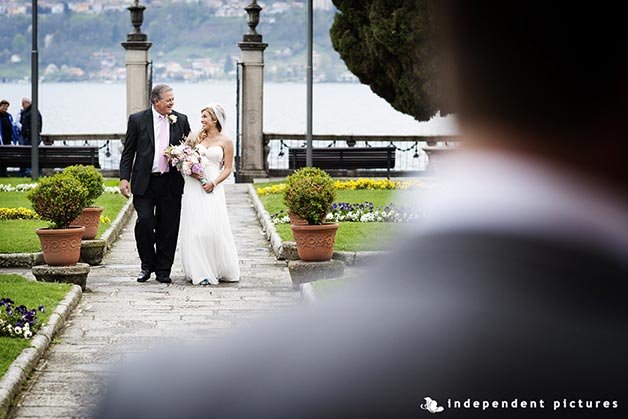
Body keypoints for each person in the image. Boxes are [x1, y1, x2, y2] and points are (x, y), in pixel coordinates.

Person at [94, 2, 627, 418]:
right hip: (170, 184)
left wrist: (204, 170)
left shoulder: (173, 397)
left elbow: (221, 161)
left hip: (200, 190)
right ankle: (158, 268)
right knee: (157, 230)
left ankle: (175, 268)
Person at [119, 84, 191, 284]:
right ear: (155, 101)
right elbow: (128, 152)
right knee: (145, 222)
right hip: (145, 182)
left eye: (173, 99)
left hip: (171, 181)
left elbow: (190, 147)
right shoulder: (137, 120)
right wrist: (124, 178)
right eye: (168, 100)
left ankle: (163, 270)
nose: (172, 103)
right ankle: (146, 264)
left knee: (168, 227)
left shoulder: (181, 119)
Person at [179, 104, 240, 285]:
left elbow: (228, 169)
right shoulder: (195, 137)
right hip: (193, 186)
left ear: (215, 119)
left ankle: (216, 268)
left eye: (205, 116)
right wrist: (189, 170)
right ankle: (200, 271)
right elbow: (183, 158)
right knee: (196, 229)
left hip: (212, 185)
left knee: (212, 229)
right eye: (202, 116)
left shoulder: (226, 141)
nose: (202, 120)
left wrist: (213, 182)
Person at [0, 99, 20, 177]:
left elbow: (12, 126)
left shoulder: (9, 116)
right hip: (1, 139)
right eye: (4, 106)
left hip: (7, 140)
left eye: (7, 107)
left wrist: (14, 138)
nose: (5, 108)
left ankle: (3, 172)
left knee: (5, 157)